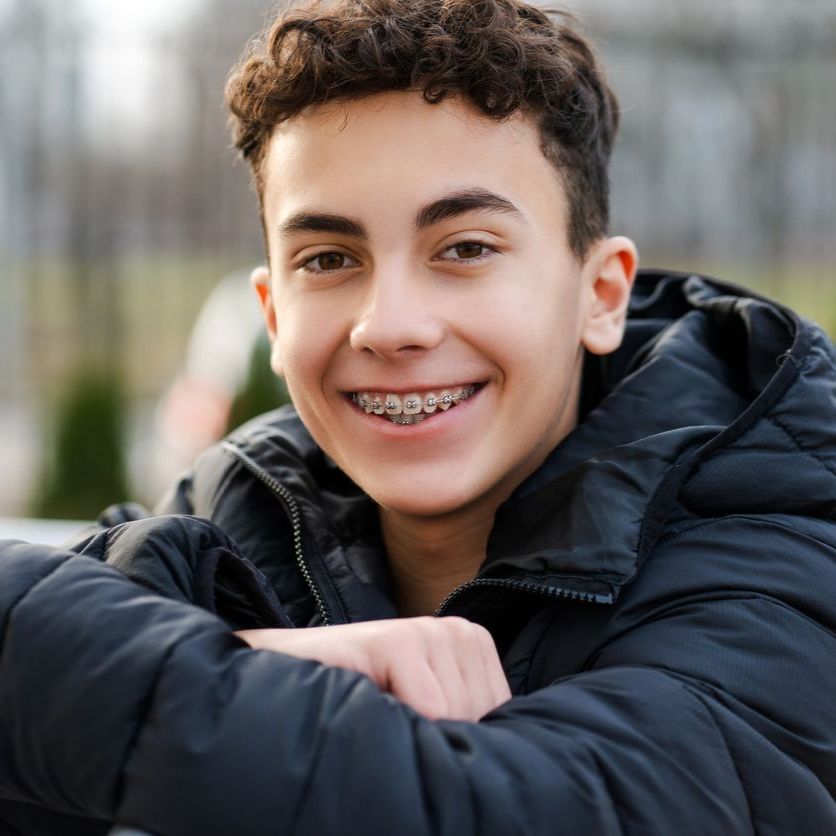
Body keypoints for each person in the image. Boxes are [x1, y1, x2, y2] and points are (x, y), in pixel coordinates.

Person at [1, 0, 835, 833]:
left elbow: (522, 809)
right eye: (328, 259)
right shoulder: (233, 517)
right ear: (274, 316)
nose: (389, 324)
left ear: (600, 294)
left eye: (466, 248)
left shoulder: (777, 554)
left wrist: (125, 678)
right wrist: (250, 660)